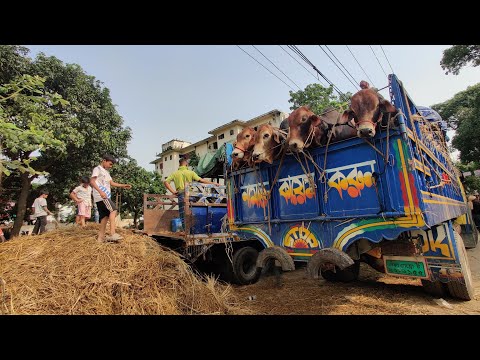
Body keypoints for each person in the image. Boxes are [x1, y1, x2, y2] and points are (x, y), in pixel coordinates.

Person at [163, 158, 219, 231]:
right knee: (193, 212)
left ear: (179, 164)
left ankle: (186, 231)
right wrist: (213, 183)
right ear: (186, 164)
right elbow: (201, 180)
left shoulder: (175, 173)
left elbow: (166, 182)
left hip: (181, 195)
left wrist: (173, 191)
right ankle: (195, 229)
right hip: (191, 195)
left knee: (183, 214)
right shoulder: (191, 172)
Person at [90, 154, 132, 243]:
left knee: (104, 218)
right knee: (113, 210)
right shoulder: (97, 169)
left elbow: (111, 183)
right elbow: (92, 181)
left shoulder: (106, 172)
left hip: (104, 196)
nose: (111, 166)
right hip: (101, 196)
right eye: (110, 164)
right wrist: (101, 192)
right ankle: (112, 234)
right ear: (104, 160)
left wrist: (123, 185)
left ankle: (100, 239)